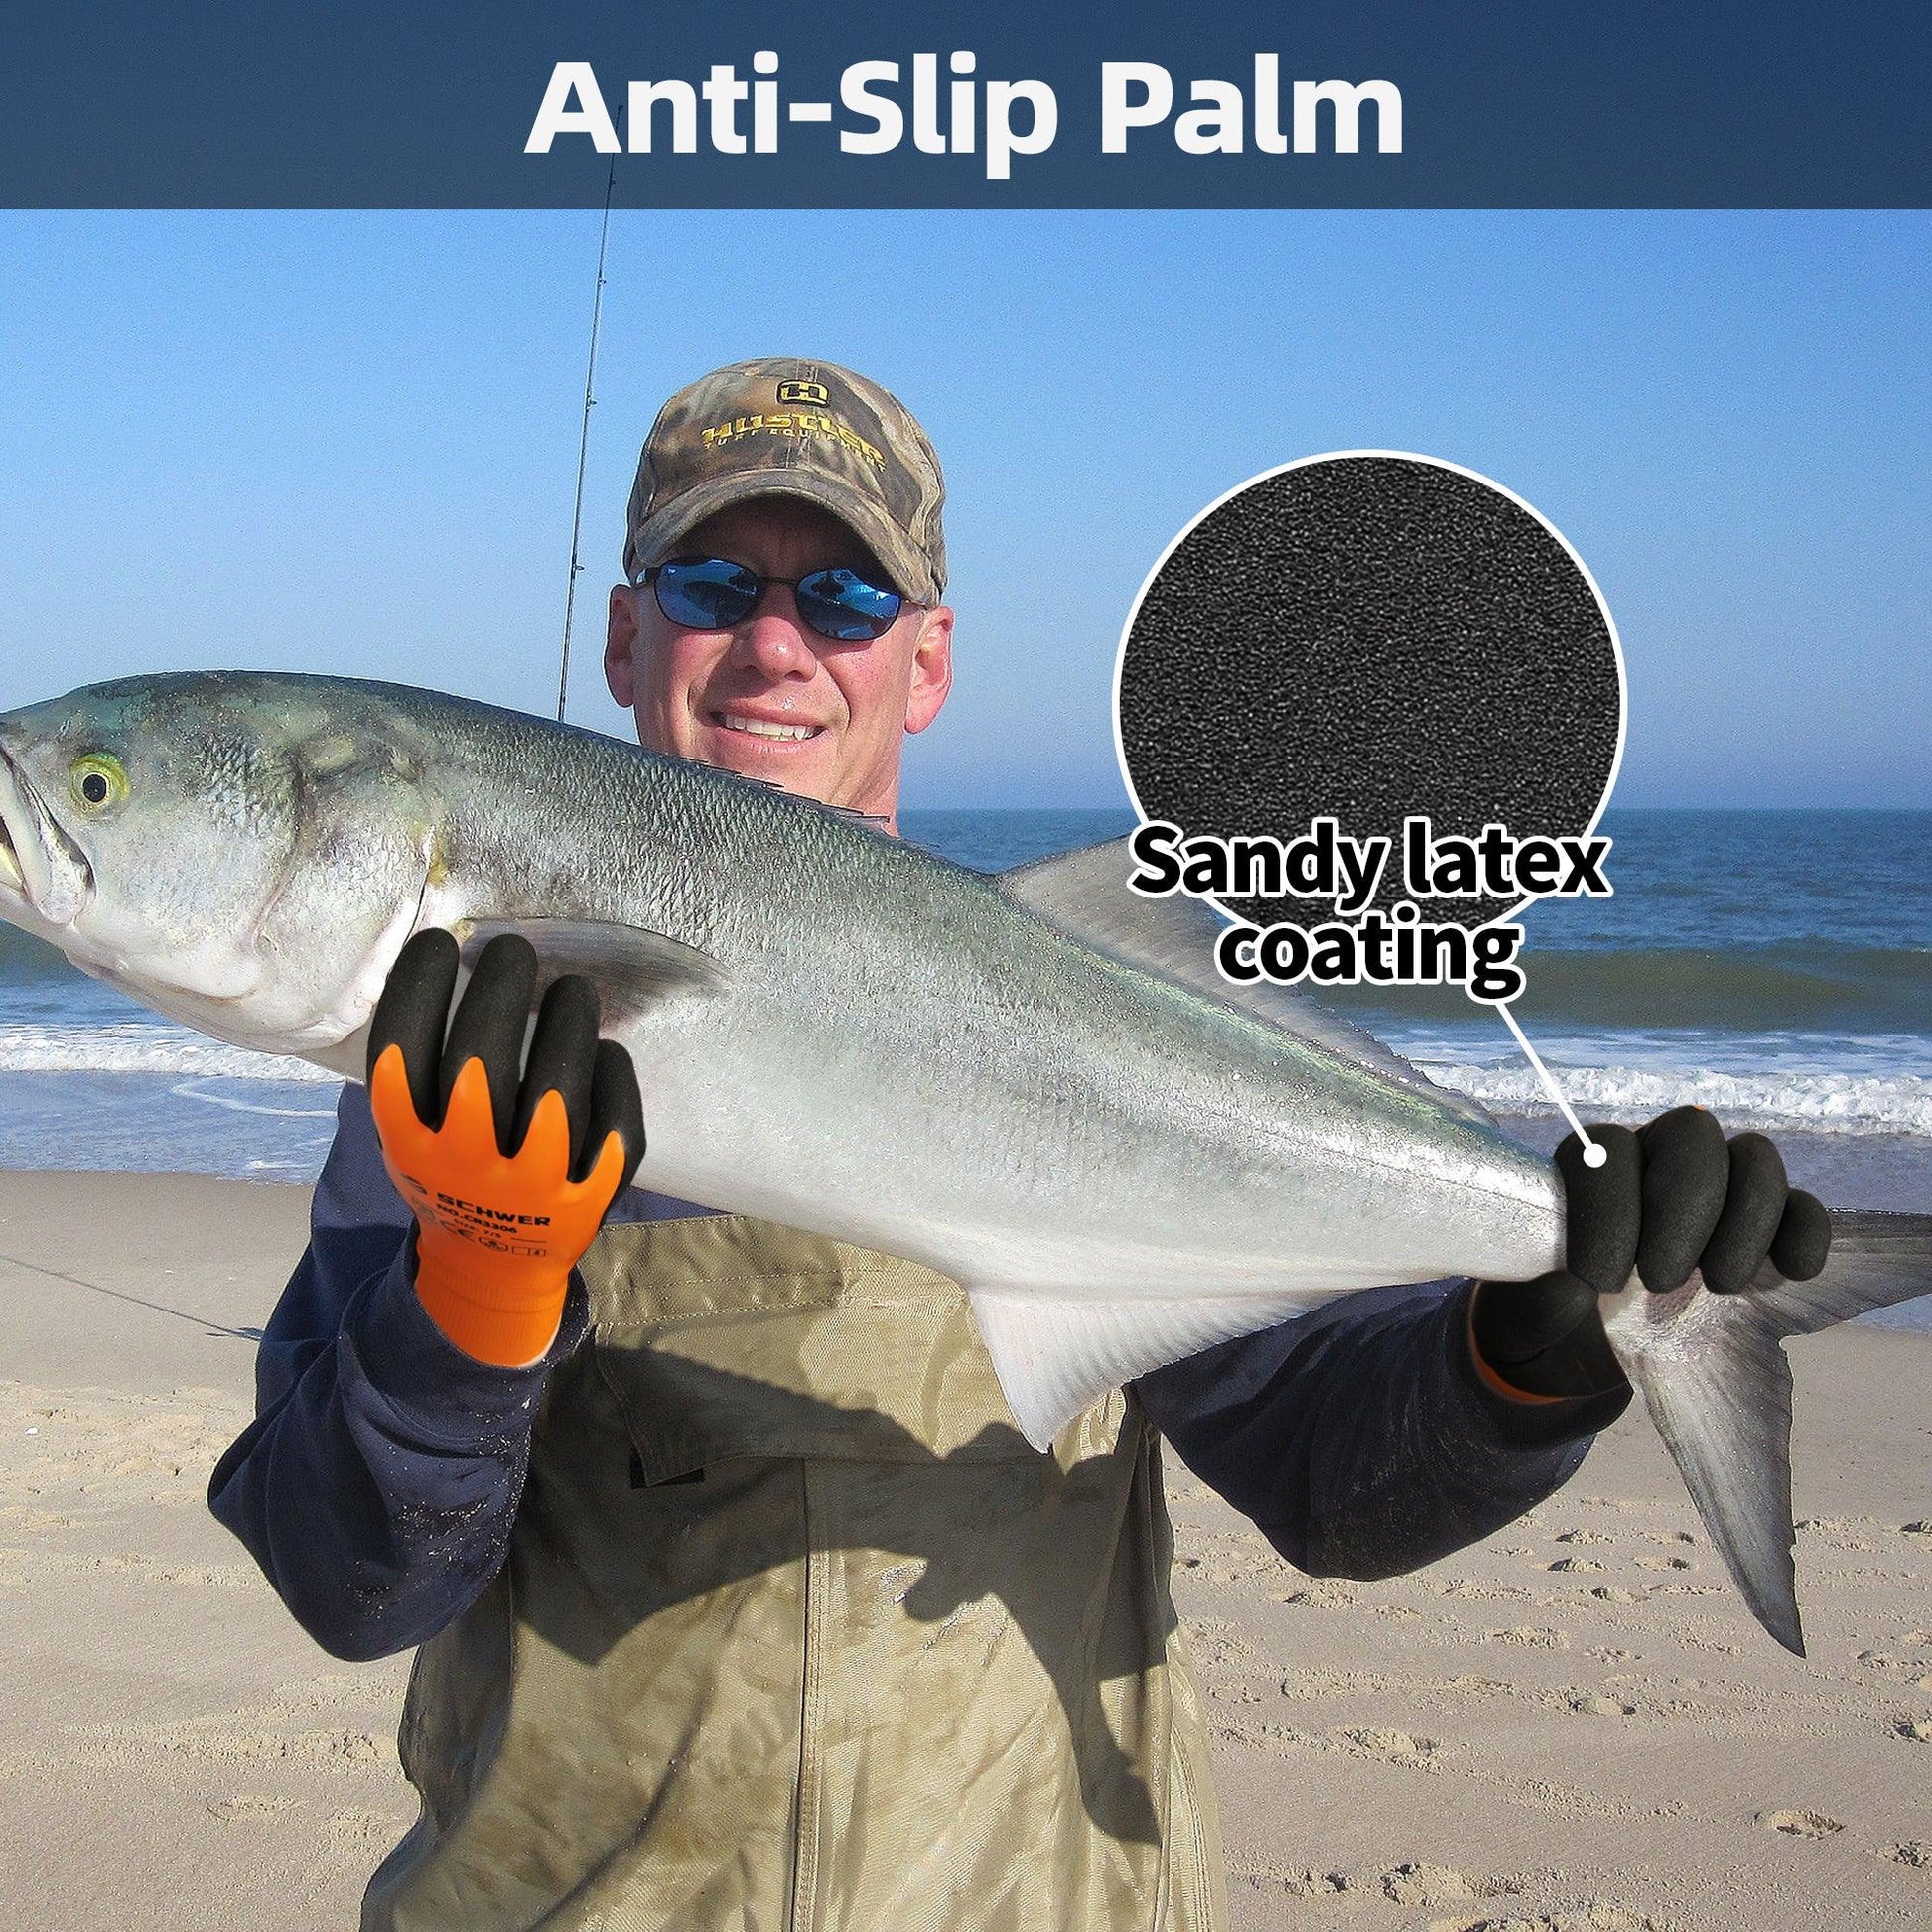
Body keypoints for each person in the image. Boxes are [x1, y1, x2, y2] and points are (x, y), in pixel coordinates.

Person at [209, 358, 1828, 1931]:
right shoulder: (443, 1091)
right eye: (712, 584)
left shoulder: (1081, 1009)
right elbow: (353, 1582)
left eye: (842, 602)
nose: (775, 645)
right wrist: (474, 1292)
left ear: (925, 662)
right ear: (629, 635)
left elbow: (1344, 1487)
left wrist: (1529, 1335)